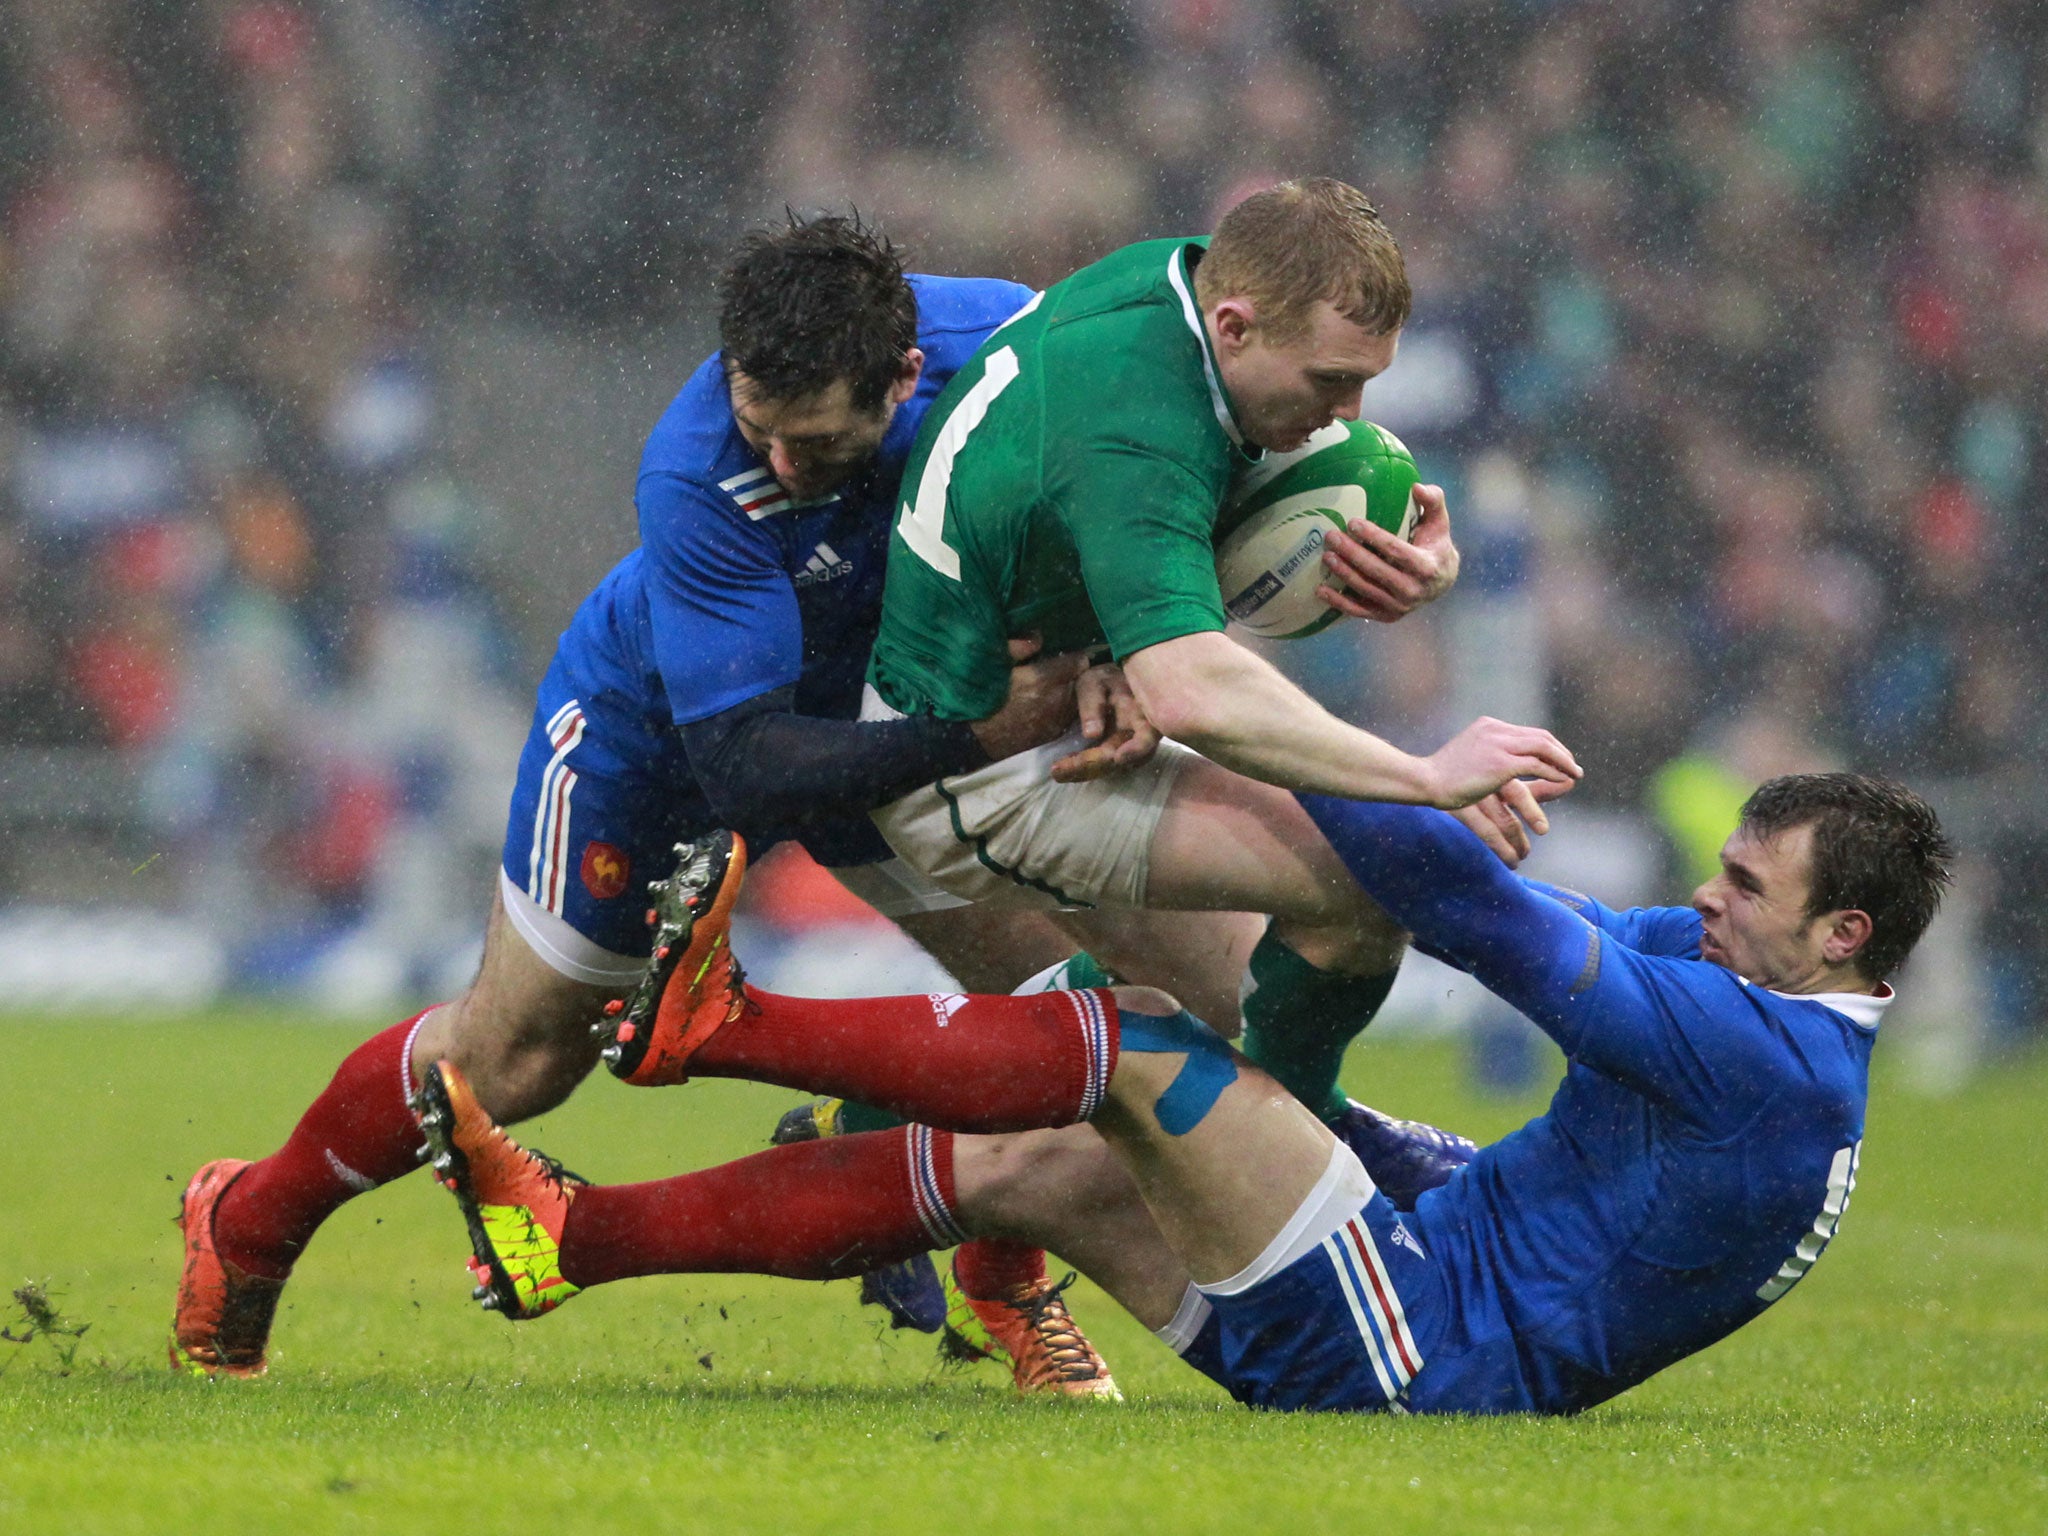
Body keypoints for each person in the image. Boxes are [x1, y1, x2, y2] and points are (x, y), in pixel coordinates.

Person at [171, 214, 1465, 1389]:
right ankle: (248, 1220)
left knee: (1064, 1016)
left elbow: (1145, 491)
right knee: (522, 1058)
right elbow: (747, 769)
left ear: (906, 382)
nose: (780, 458)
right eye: (758, 421)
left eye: (818, 443)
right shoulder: (699, 480)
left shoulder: (1013, 344)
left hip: (915, 712)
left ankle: (1001, 1264)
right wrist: (986, 728)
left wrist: (1149, 639)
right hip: (673, 735)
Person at [422, 770, 1950, 1413]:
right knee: (1037, 1162)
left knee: (1138, 1041)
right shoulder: (1759, 1000)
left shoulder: (1765, 1061)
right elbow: (1470, 895)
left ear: (1843, 937)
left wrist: (1249, 712)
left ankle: (729, 1022)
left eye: (1745, 886)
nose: (1704, 896)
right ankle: (576, 1237)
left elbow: (1472, 913)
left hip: (1424, 1356)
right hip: (1455, 1248)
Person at [830, 176, 1577, 1153]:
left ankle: (889, 1121)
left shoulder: (1189, 294)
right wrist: (1424, 776)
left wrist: (1414, 566)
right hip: (970, 767)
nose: (1343, 414)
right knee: (1352, 896)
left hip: (1058, 705)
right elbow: (1188, 685)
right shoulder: (1137, 418)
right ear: (1234, 326)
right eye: (1327, 382)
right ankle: (1326, 1167)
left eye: (1362, 385)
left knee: (1215, 1015)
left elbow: (1137, 547)